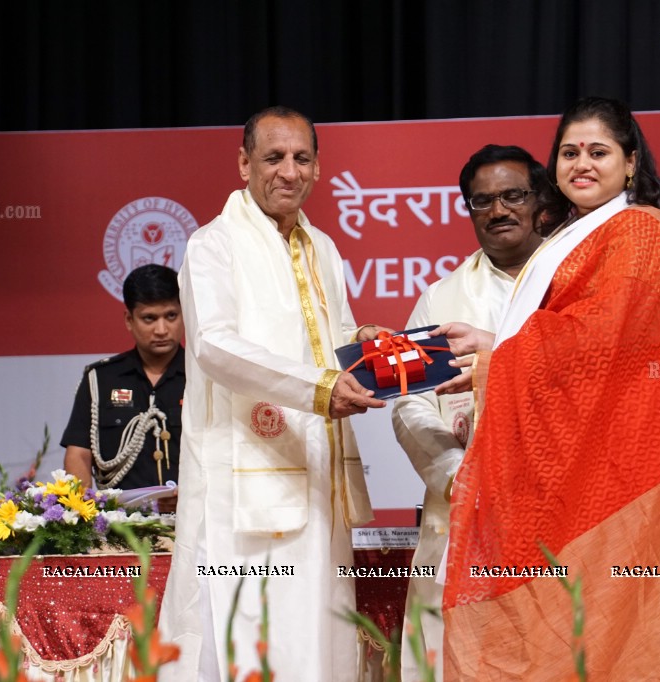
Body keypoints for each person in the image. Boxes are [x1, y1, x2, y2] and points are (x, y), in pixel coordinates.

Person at [434, 97, 660, 680]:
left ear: (630, 163)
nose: (581, 164)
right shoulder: (577, 235)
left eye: (598, 152)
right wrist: (492, 343)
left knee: (602, 642)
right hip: (568, 475)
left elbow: (601, 346)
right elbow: (574, 339)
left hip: (615, 481)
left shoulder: (642, 232)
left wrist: (497, 361)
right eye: (569, 152)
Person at [158, 106, 387, 682]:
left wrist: (362, 342)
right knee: (254, 634)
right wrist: (319, 387)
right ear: (243, 165)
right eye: (273, 158)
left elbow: (326, 339)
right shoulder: (213, 246)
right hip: (243, 483)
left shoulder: (324, 248)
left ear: (317, 168)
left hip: (315, 472)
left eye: (302, 158)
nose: (289, 171)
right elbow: (215, 346)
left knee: (320, 634)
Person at [391, 144, 547, 681]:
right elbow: (409, 403)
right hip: (465, 515)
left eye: (513, 195)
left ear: (540, 201)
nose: (499, 210)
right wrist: (457, 476)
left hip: (563, 513)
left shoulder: (574, 285)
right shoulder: (441, 300)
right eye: (482, 201)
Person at [61, 263, 184, 501]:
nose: (161, 329)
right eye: (149, 318)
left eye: (171, 316)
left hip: (192, 522)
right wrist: (82, 516)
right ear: (129, 320)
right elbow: (79, 454)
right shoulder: (100, 378)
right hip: (120, 525)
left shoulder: (204, 376)